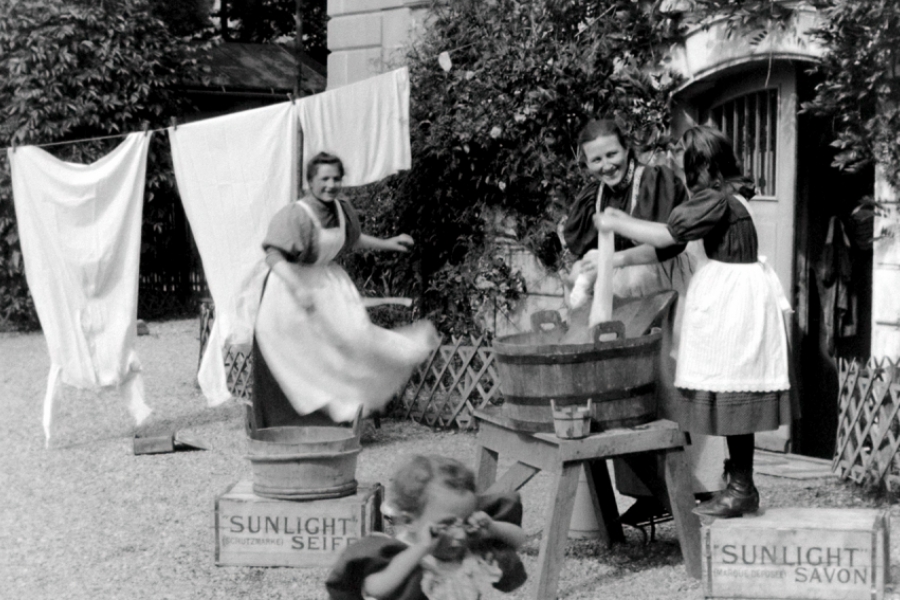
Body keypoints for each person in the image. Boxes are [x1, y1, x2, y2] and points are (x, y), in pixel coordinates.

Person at [595, 125, 793, 518]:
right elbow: (673, 242)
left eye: (686, 166)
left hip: (734, 303)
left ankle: (741, 487)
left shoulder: (716, 200)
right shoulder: (731, 195)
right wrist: (618, 256)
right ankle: (740, 484)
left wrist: (617, 222)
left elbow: (669, 233)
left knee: (735, 390)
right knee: (734, 389)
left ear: (701, 168)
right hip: (741, 295)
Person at [561, 118, 724, 524]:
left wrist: (610, 260)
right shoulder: (592, 199)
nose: (606, 165)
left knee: (677, 382)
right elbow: (587, 251)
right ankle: (650, 492)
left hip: (674, 285)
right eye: (595, 159)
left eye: (612, 154)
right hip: (631, 297)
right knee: (634, 386)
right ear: (586, 163)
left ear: (627, 149)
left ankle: (703, 488)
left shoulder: (656, 182)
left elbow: (667, 245)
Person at [251, 152, 439, 429]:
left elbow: (352, 239)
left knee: (353, 339)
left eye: (336, 178)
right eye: (324, 179)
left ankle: (342, 412)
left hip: (327, 284)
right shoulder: (295, 216)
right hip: (289, 286)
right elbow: (274, 256)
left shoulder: (341, 209)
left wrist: (389, 243)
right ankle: (293, 424)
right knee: (299, 352)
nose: (330, 184)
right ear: (310, 181)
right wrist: (297, 288)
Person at [325, 455, 528, 600]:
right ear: (410, 521)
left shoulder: (467, 548)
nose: (459, 534)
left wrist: (493, 528)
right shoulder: (398, 554)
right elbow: (375, 589)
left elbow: (519, 540)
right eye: (446, 525)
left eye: (466, 521)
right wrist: (421, 548)